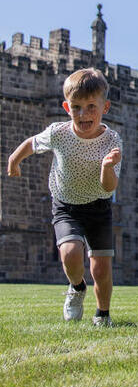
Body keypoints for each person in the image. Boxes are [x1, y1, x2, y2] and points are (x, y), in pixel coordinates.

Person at [6, 67, 122, 327]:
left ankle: (102, 315)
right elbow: (32, 143)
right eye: (76, 107)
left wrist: (106, 167)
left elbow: (108, 188)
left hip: (99, 207)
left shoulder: (112, 140)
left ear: (106, 107)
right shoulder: (59, 133)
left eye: (91, 106)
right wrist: (15, 159)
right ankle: (77, 287)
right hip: (66, 206)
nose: (83, 114)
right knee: (70, 254)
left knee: (101, 269)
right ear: (66, 107)